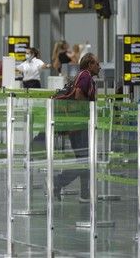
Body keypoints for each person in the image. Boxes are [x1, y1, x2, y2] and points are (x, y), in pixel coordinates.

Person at [52, 53, 100, 203]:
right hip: (79, 125)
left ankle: (84, 193)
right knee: (84, 160)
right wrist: (89, 107)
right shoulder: (85, 76)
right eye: (97, 64)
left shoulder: (82, 75)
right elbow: (79, 94)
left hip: (77, 124)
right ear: (89, 65)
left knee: (83, 160)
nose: (99, 66)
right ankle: (59, 181)